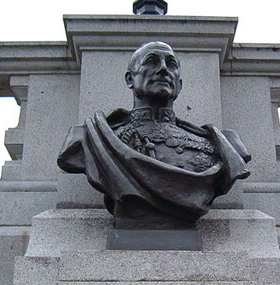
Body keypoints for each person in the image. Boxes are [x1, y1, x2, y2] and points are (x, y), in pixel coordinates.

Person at [58, 41, 250, 228]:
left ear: (179, 85)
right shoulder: (92, 138)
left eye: (171, 64)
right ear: (130, 79)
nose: (164, 69)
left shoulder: (220, 145)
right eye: (152, 61)